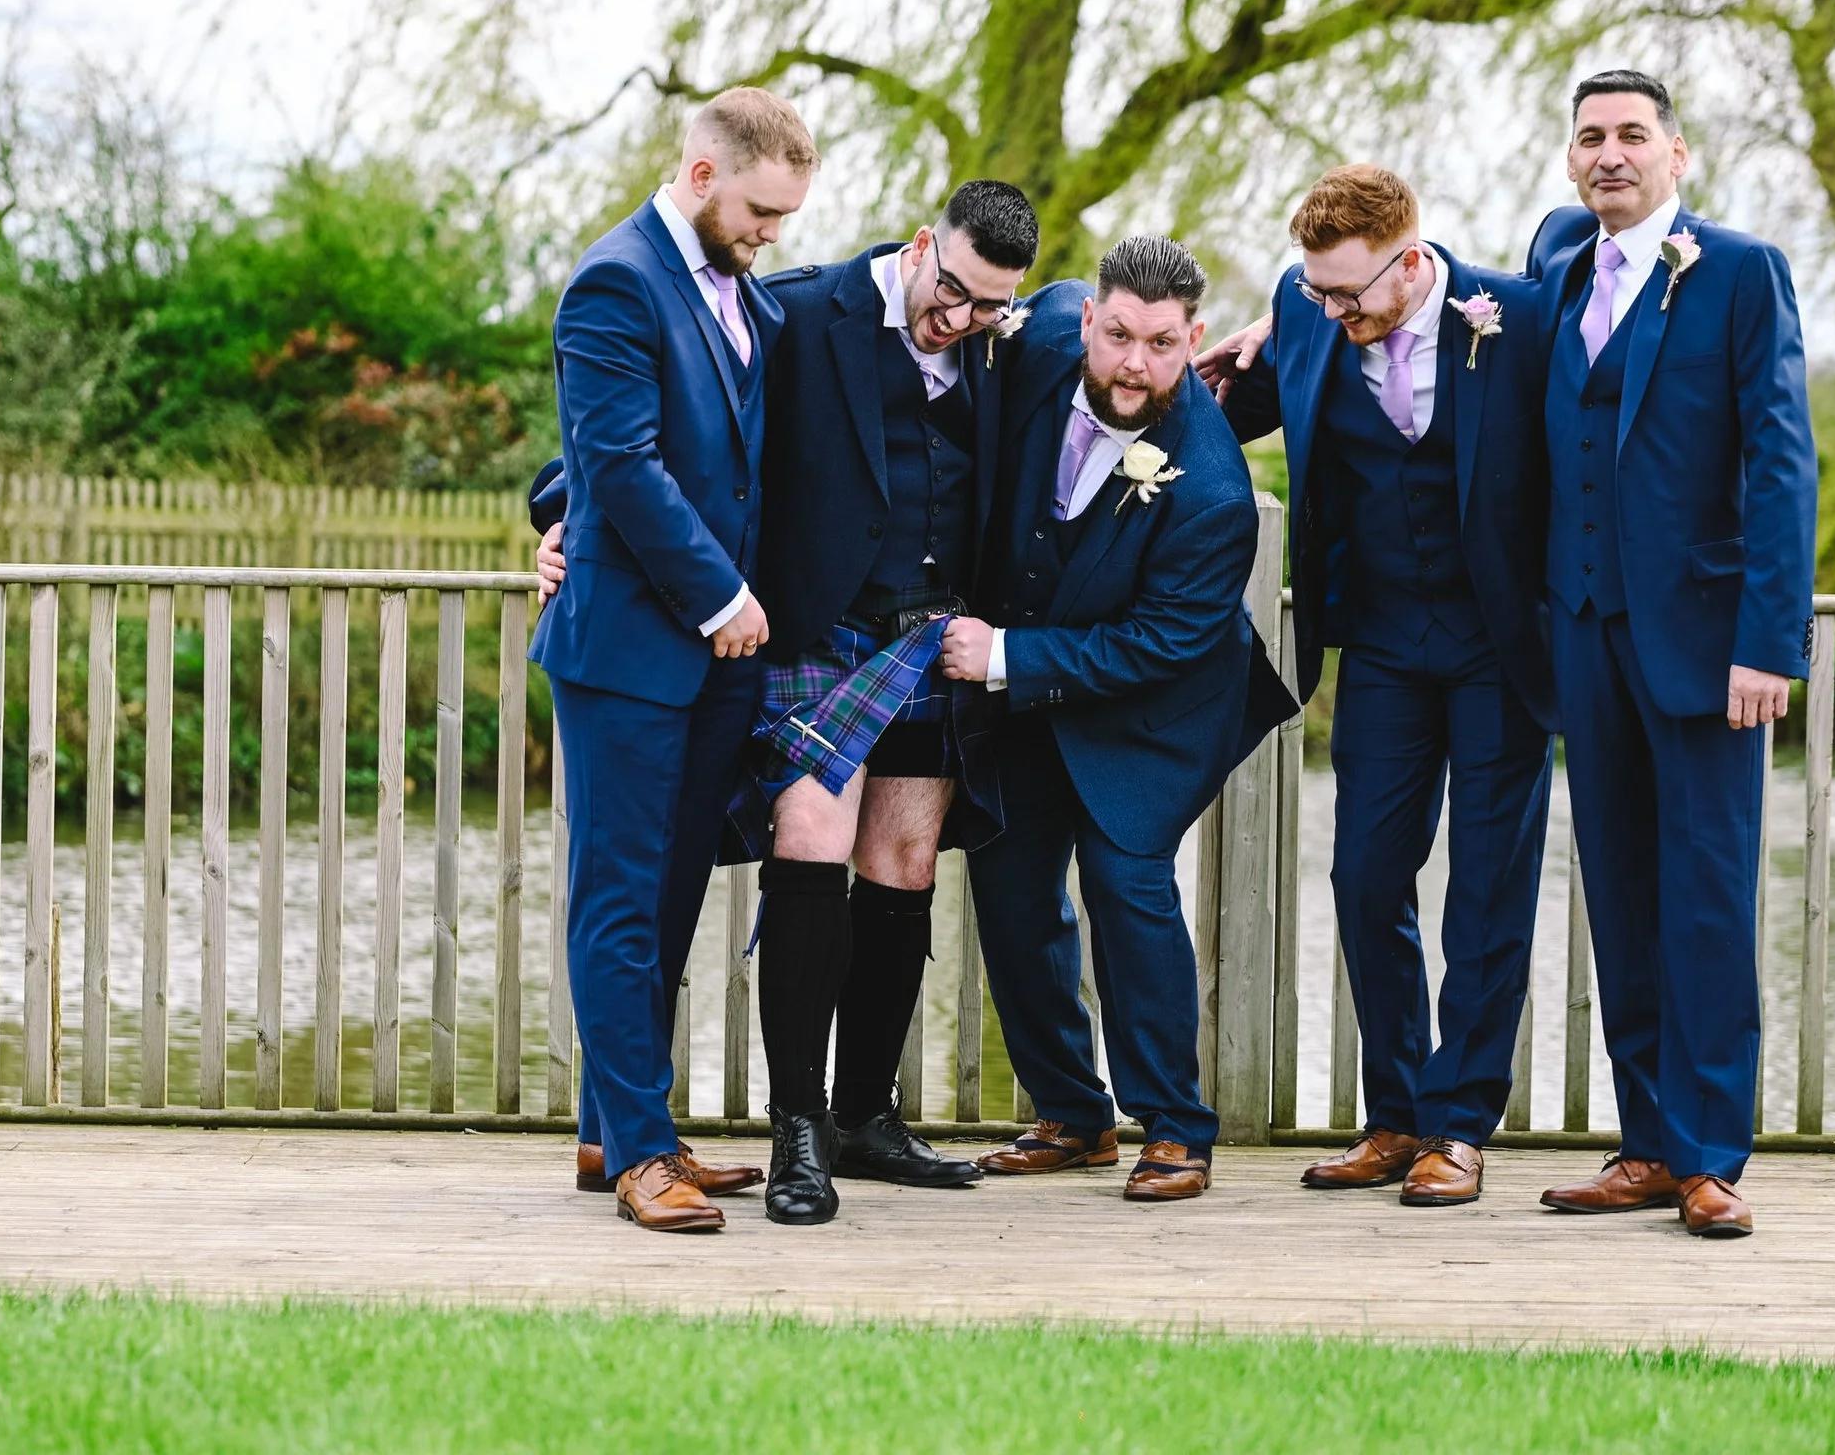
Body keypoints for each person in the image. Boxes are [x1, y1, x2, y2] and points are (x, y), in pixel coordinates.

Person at [538, 183, 1043, 1225]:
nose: (960, 318)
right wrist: (560, 515)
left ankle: (866, 1118)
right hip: (820, 629)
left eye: (988, 306)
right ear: (923, 246)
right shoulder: (803, 309)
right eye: (951, 291)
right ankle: (798, 1133)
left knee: (904, 859)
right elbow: (676, 423)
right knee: (810, 832)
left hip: (935, 636)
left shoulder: (1011, 345)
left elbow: (1125, 339)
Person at [1190, 166, 1555, 1206]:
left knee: (1486, 889)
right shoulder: (1306, 311)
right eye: (1315, 290)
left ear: (1412, 260)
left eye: (1349, 292)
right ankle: (1394, 1114)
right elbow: (1233, 408)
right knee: (1363, 876)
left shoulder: (1519, 318)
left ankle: (1458, 1124)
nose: (1332, 309)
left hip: (1499, 649)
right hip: (1384, 645)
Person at [941, 234, 1299, 1203]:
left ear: (1194, 338)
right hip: (1029, 684)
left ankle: (1176, 1127)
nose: (1136, 364)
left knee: (1125, 881)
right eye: (1119, 336)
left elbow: (1158, 646)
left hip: (1154, 709)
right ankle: (1071, 1114)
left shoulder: (1212, 491)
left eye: (1163, 344)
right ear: (1089, 318)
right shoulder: (1043, 329)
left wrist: (1006, 656)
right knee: (1008, 880)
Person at [1525, 69, 1818, 1238]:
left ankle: (1708, 1157)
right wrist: (1288, 316)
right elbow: (1427, 284)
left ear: (1676, 155)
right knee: (1620, 894)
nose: (1610, 153)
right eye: (1590, 136)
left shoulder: (1740, 270)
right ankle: (1645, 1143)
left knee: (1703, 899)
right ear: (1570, 160)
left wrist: (1768, 642)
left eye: (1632, 135)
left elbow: (1781, 459)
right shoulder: (1557, 266)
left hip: (1705, 648)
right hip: (1584, 634)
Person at [529, 87, 819, 1232]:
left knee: (670, 895)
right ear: (702, 176)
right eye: (759, 211)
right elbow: (618, 458)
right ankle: (643, 1156)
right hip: (630, 650)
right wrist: (720, 595)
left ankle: (615, 1129)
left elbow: (713, 455)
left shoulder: (742, 290)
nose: (771, 233)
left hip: (717, 664)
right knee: (619, 899)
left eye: (786, 216)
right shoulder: (616, 279)